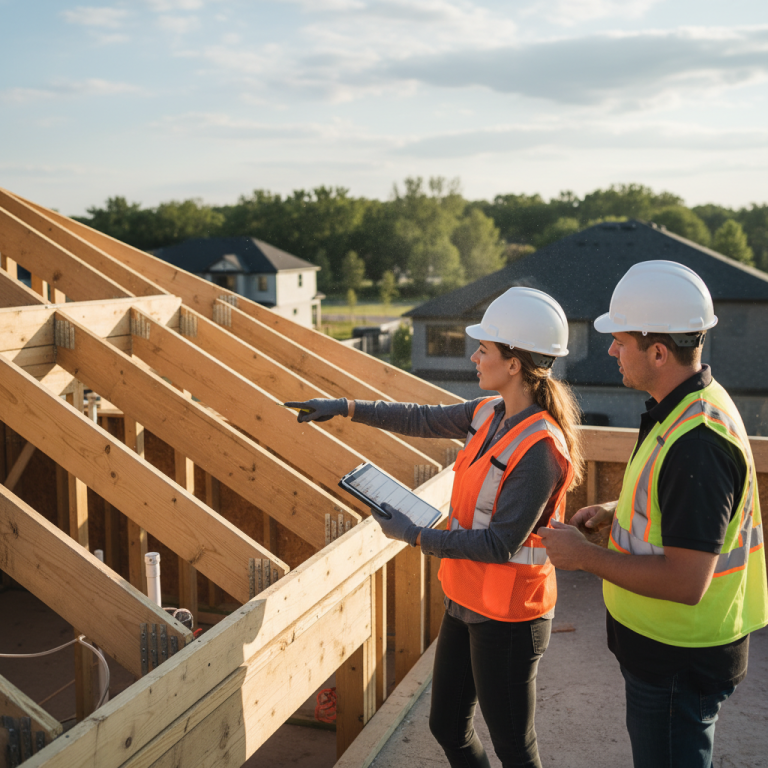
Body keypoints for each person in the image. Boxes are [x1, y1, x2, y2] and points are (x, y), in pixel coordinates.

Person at [286, 287, 584, 768]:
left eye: (483, 349)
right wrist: (344, 407)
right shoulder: (489, 413)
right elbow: (418, 418)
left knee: (514, 747)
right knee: (447, 725)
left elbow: (499, 543)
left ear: (514, 364)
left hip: (510, 619)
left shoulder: (540, 449)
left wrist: (417, 535)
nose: (474, 356)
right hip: (466, 600)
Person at [540, 260, 768, 768]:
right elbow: (676, 506)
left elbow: (687, 582)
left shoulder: (699, 444)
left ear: (659, 351)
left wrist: (585, 557)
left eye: (620, 340)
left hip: (679, 661)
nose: (610, 350)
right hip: (669, 654)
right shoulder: (685, 405)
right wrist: (613, 509)